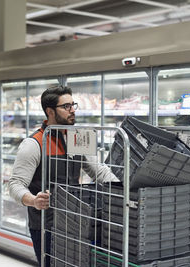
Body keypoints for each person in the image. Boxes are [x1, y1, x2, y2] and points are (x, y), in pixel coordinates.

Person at [8, 85, 117, 267]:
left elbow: (99, 171)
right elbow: (15, 184)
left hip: (77, 221)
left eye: (73, 105)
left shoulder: (78, 137)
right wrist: (34, 200)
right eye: (66, 107)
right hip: (47, 225)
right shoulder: (34, 144)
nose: (72, 110)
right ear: (50, 111)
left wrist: (123, 188)